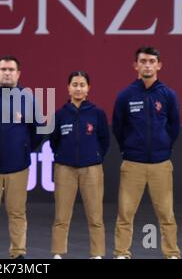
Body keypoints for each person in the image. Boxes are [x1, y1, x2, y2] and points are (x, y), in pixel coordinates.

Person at [112, 46, 181, 259]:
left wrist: (163, 147)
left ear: (159, 65)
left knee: (166, 213)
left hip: (161, 164)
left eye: (152, 61)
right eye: (143, 61)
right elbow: (118, 127)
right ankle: (122, 253)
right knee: (125, 213)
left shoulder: (168, 94)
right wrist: (129, 148)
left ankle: (171, 253)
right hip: (133, 164)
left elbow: (174, 126)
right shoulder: (125, 95)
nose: (147, 65)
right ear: (136, 65)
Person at [0, 55, 42, 259]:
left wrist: (23, 149)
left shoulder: (28, 98)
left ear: (18, 74)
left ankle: (18, 253)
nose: (7, 73)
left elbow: (38, 130)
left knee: (18, 212)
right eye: (3, 69)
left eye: (11, 70)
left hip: (18, 166)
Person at [50, 71, 109, 259]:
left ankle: (97, 253)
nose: (78, 88)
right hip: (64, 168)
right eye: (74, 84)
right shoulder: (60, 114)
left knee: (95, 215)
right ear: (68, 88)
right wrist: (62, 155)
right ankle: (58, 252)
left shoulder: (97, 113)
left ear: (88, 88)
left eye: (82, 84)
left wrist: (94, 156)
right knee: (61, 215)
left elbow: (104, 140)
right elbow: (54, 141)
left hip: (92, 168)